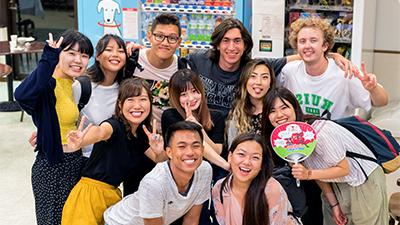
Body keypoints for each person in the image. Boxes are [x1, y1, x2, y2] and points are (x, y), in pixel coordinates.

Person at [262, 87, 389, 225]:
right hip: (336, 182)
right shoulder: (285, 143)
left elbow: (344, 168)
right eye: (272, 111)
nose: (279, 115)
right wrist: (334, 204)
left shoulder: (320, 131)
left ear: (295, 108)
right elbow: (317, 173)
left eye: (284, 107)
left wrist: (308, 174)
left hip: (363, 180)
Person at [187, 18, 351, 120]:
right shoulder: (199, 59)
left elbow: (295, 57)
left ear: (245, 45)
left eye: (237, 41)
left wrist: (330, 54)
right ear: (217, 44)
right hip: (204, 128)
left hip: (235, 128)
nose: (231, 47)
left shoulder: (252, 68)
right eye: (225, 40)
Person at [61, 78, 166, 225]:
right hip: (89, 197)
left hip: (112, 197)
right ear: (120, 104)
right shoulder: (114, 126)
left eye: (143, 99)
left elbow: (158, 159)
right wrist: (82, 140)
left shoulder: (142, 135)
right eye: (130, 100)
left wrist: (160, 150)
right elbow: (100, 132)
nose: (137, 105)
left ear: (150, 103)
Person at [14, 30, 94, 225]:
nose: (78, 60)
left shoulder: (73, 85)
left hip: (75, 163)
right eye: (71, 53)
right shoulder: (47, 84)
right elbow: (22, 95)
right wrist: (47, 57)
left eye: (84, 55)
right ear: (59, 54)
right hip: (52, 168)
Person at [104, 121, 213, 225]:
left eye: (195, 146)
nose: (190, 152)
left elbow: (191, 221)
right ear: (169, 152)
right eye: (182, 146)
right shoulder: (154, 183)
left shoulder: (204, 170)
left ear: (203, 150)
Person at [279, 17, 388, 119]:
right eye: (302, 41)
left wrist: (373, 88)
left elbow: (382, 102)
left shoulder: (345, 73)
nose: (307, 46)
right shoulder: (289, 72)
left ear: (325, 46)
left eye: (313, 40)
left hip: (336, 137)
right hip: (298, 137)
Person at [212, 133, 300, 225]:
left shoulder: (272, 189)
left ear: (262, 164)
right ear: (230, 157)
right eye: (241, 154)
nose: (246, 162)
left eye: (255, 157)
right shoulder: (219, 188)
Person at [162, 69, 229, 171]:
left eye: (194, 91)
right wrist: (226, 165)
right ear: (176, 97)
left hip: (211, 172)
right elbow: (192, 145)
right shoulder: (170, 115)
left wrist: (199, 128)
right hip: (181, 170)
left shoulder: (216, 116)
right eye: (183, 94)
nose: (191, 98)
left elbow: (217, 151)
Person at [72, 33, 128, 158]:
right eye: (108, 50)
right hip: (87, 160)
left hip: (117, 160)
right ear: (97, 56)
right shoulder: (81, 86)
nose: (115, 54)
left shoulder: (125, 88)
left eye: (120, 51)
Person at [128, 13, 186, 127]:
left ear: (179, 42)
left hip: (167, 135)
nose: (165, 43)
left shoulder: (182, 68)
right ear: (149, 36)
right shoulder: (132, 60)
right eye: (159, 36)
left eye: (172, 38)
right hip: (132, 135)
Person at [225, 59, 276, 148]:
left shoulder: (277, 110)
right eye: (253, 76)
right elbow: (233, 149)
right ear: (245, 81)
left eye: (264, 77)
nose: (258, 82)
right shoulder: (238, 112)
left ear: (270, 83)